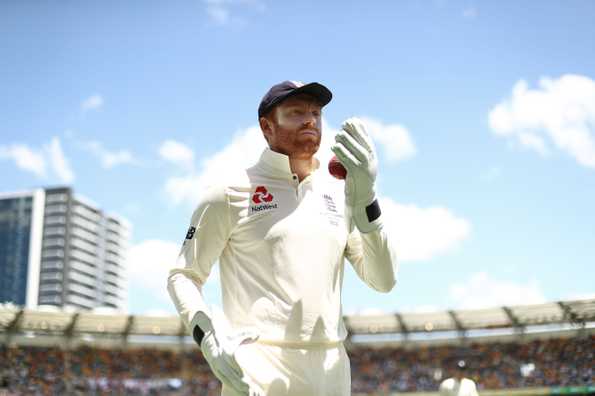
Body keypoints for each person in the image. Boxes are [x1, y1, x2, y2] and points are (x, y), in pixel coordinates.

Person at [167, 80, 398, 396]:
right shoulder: (229, 192)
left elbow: (383, 280)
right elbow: (183, 275)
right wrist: (207, 337)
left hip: (332, 372)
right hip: (256, 372)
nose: (310, 120)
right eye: (296, 112)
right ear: (266, 126)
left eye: (316, 113)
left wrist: (367, 201)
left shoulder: (342, 194)